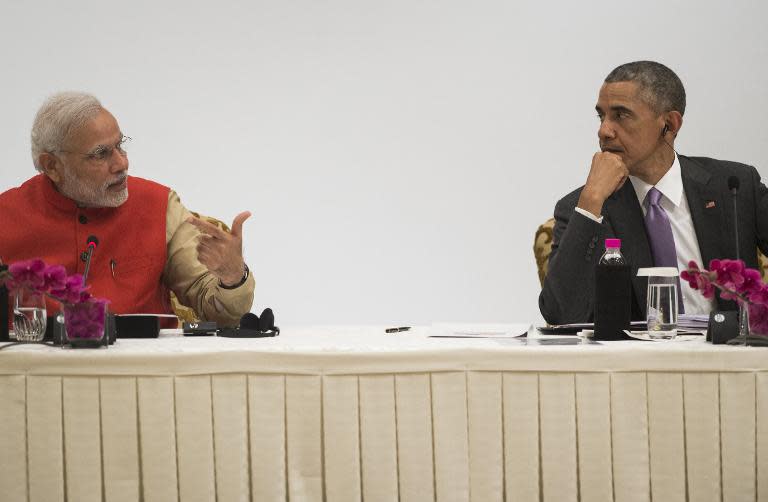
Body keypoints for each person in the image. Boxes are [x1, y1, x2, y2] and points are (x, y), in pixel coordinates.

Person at [539, 61, 768, 324]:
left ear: (669, 125)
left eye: (621, 115)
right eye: (601, 116)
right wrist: (591, 202)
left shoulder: (733, 186)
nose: (604, 130)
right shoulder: (585, 206)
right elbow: (560, 314)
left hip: (728, 358)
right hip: (638, 363)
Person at [0, 92, 254, 327]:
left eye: (120, 146)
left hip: (144, 370)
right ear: (52, 165)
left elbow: (216, 311)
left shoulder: (159, 205)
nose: (122, 163)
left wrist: (233, 277)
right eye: (101, 154)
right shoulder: (6, 215)